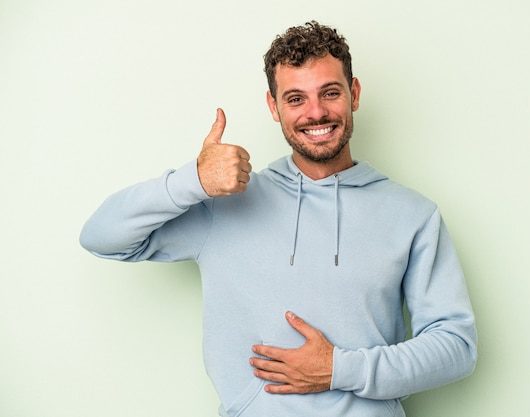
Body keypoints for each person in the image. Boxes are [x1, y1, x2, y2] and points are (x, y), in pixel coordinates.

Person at [80, 21, 477, 417]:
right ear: (274, 107)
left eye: (330, 92)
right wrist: (193, 180)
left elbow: (456, 346)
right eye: (295, 99)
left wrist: (339, 369)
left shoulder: (412, 214)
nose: (316, 112)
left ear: (354, 94)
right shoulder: (226, 204)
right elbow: (102, 236)